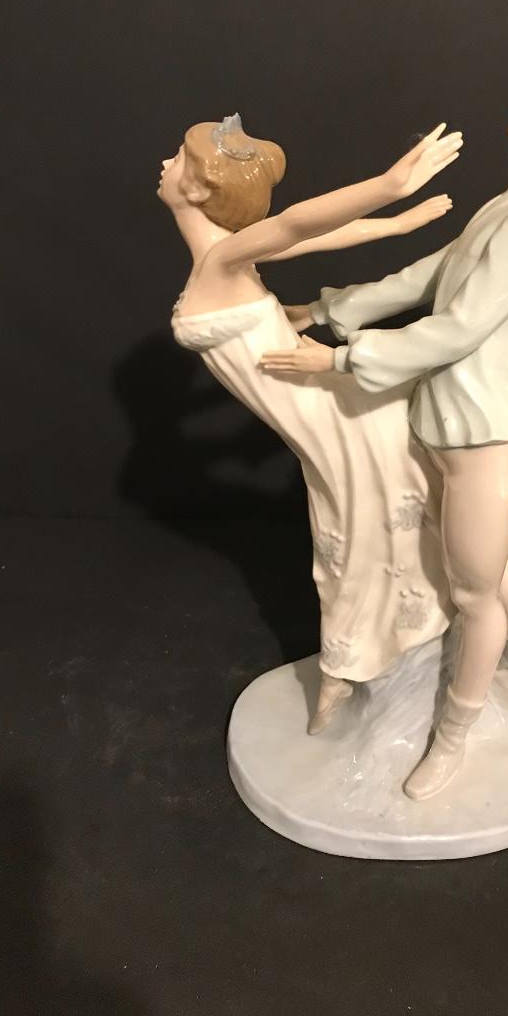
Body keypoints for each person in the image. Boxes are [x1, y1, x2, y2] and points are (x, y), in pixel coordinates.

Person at [261, 45, 508, 799]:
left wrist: (340, 359)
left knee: (471, 593)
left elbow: (459, 328)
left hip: (480, 436)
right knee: (482, 566)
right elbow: (425, 276)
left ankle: (453, 736)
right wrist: (326, 309)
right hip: (444, 421)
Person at [161, 113, 463, 732]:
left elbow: (298, 224)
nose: (165, 164)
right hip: (324, 421)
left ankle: (357, 667)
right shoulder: (227, 259)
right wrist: (396, 220)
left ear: (196, 188)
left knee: (362, 536)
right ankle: (354, 665)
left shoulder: (223, 263)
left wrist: (391, 190)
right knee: (355, 537)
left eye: (178, 159)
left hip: (338, 416)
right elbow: (312, 236)